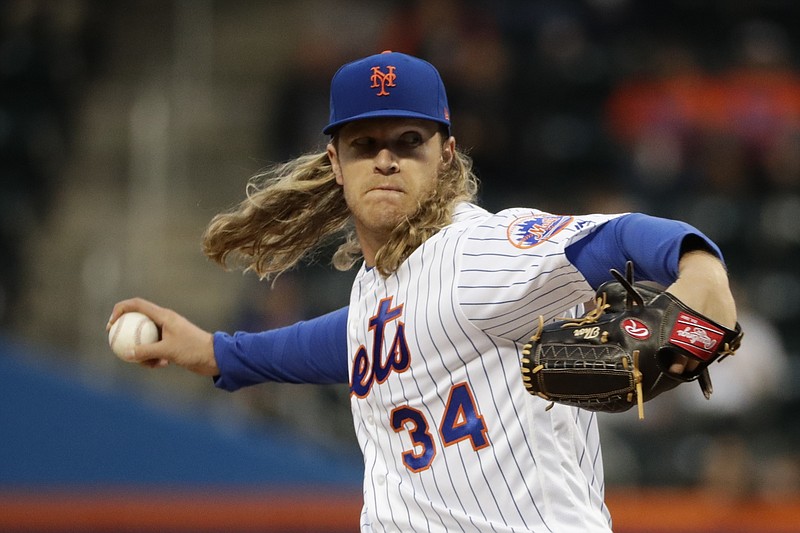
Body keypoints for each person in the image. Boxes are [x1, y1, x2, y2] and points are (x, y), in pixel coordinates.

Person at [108, 51, 738, 532]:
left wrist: (699, 268)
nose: (386, 160)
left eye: (408, 143)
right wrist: (220, 354)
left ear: (445, 154)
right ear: (335, 161)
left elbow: (620, 235)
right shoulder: (377, 288)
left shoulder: (480, 253)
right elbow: (356, 338)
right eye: (365, 144)